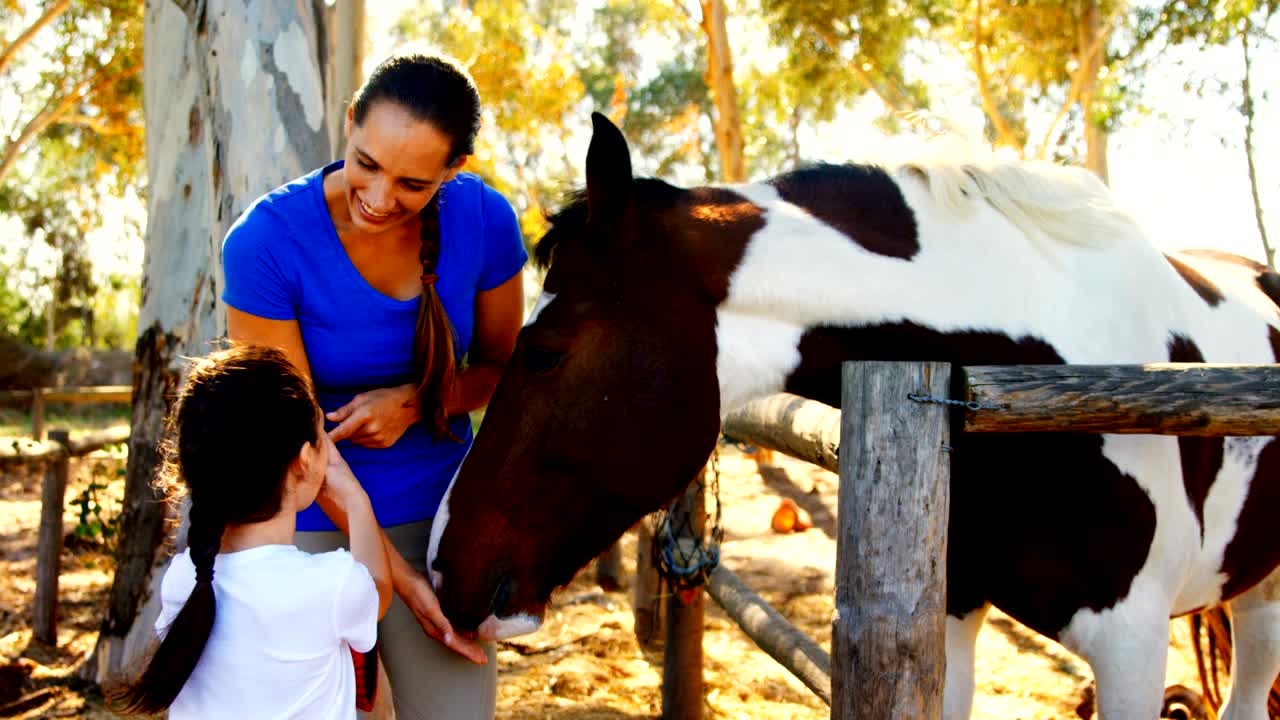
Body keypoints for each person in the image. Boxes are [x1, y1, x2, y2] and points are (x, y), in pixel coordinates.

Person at [221, 53, 527, 718]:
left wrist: (420, 404)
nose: (380, 197)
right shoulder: (265, 243)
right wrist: (398, 581)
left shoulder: (485, 222)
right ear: (350, 120)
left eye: (413, 183)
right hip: (297, 526)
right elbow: (287, 433)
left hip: (438, 516)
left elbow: (505, 368)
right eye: (366, 161)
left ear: (454, 170)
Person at [109, 344, 393, 718]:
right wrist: (356, 501)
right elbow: (378, 589)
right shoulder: (331, 586)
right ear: (305, 460)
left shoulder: (183, 581)